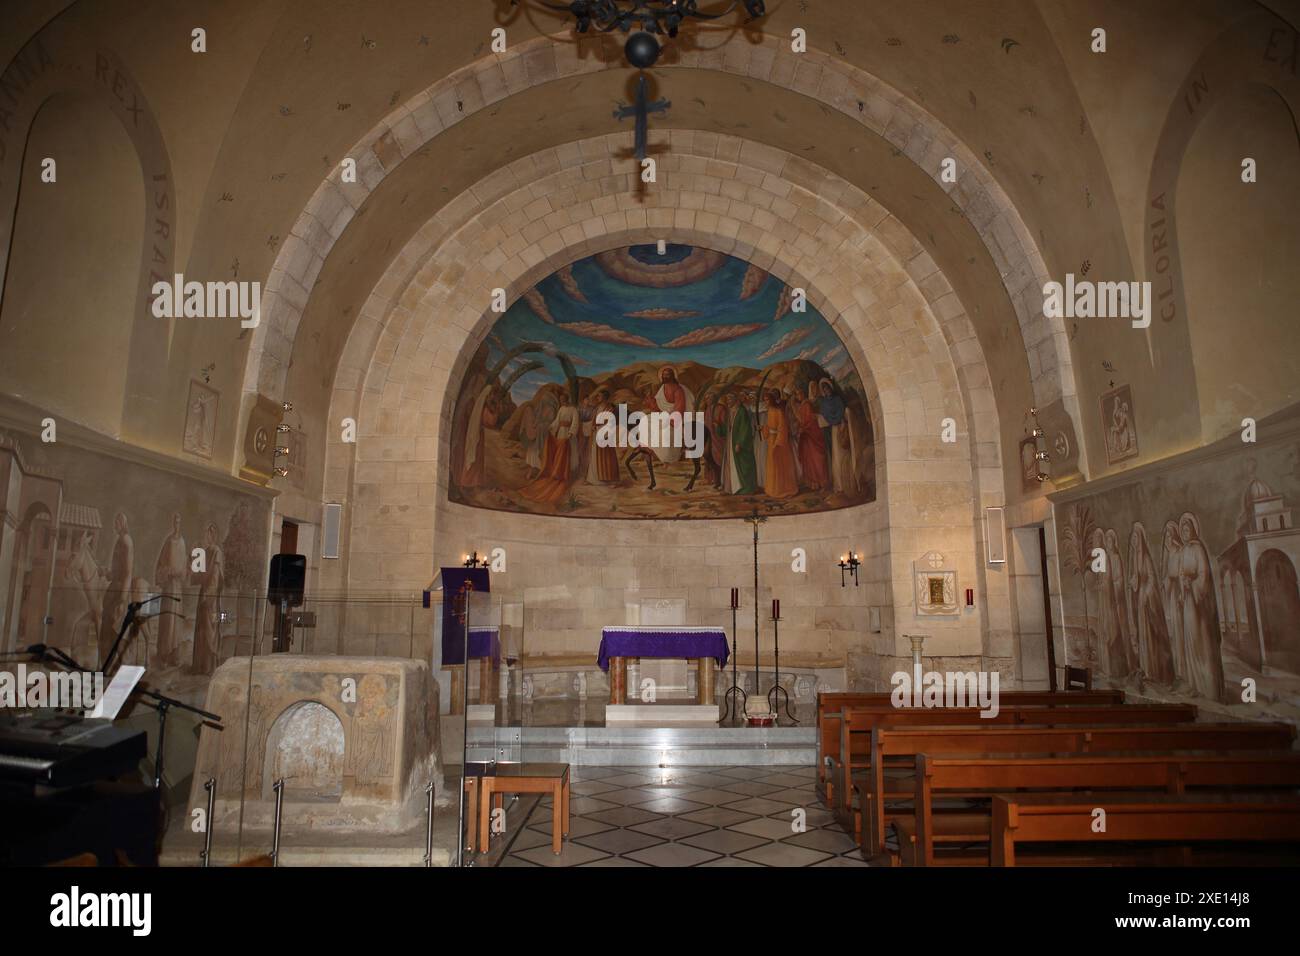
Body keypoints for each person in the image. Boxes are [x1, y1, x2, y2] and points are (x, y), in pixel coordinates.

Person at [1177, 512, 1226, 702]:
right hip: (1188, 602)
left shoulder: (1198, 549)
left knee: (1202, 643)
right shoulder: (1183, 550)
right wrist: (1183, 590)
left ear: (1193, 530)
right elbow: (1181, 575)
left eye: (1187, 528)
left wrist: (1193, 583)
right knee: (1191, 643)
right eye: (1183, 529)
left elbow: (1204, 575)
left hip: (1200, 604)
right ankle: (1195, 685)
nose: (1184, 532)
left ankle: (1210, 689)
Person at [1128, 522, 1174, 683]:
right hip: (1141, 605)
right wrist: (1134, 583)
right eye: (1132, 537)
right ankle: (1146, 669)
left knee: (1150, 637)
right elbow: (1136, 579)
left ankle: (1153, 670)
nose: (1133, 540)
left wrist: (1145, 594)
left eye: (1135, 537)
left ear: (1140, 538)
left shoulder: (1145, 558)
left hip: (1148, 605)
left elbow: (1152, 580)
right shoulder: (1135, 558)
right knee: (1143, 636)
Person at [519, 388, 580, 505]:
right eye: (561, 400)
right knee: (561, 453)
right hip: (561, 432)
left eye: (563, 400)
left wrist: (571, 434)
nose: (562, 402)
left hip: (569, 435)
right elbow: (557, 421)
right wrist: (551, 428)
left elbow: (575, 423)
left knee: (570, 453)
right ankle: (560, 471)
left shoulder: (573, 410)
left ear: (567, 399)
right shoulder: (561, 409)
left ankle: (570, 474)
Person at [98, 511, 134, 665]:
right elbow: (116, 572)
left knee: (114, 629)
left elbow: (127, 572)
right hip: (115, 588)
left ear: (122, 524)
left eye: (117, 522)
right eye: (115, 522)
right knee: (107, 626)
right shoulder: (120, 541)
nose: (115, 525)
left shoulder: (126, 541)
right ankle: (106, 661)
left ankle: (116, 664)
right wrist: (106, 572)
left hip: (120, 591)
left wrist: (123, 597)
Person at [153, 513, 188, 667]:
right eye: (175, 522)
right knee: (167, 620)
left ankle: (174, 654)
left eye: (179, 522)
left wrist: (180, 573)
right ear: (173, 523)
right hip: (168, 587)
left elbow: (184, 565)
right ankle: (163, 654)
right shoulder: (168, 541)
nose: (177, 525)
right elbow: (161, 564)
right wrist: (167, 571)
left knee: (176, 621)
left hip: (177, 587)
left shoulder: (182, 542)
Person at [190, 522, 224, 675]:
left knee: (210, 631)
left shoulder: (216, 551)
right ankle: (200, 666)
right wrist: (193, 558)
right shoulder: (202, 552)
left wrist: (208, 596)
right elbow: (196, 577)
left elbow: (215, 577)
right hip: (203, 595)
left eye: (207, 534)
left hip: (210, 598)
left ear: (212, 535)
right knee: (201, 631)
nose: (205, 537)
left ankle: (209, 666)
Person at [763, 389, 799, 499]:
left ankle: (785, 490)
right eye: (764, 400)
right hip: (771, 441)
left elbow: (783, 429)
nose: (766, 402)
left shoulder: (779, 412)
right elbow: (768, 427)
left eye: (767, 400)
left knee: (781, 466)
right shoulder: (769, 411)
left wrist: (777, 443)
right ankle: (773, 490)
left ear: (772, 400)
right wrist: (763, 429)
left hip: (780, 444)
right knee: (772, 465)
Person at [795, 382, 829, 491]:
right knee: (809, 460)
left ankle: (821, 482)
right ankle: (813, 483)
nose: (798, 396)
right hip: (806, 437)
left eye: (799, 394)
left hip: (812, 436)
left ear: (803, 394)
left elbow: (810, 420)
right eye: (797, 395)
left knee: (816, 459)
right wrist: (800, 428)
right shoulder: (802, 405)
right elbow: (802, 420)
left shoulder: (807, 405)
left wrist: (803, 428)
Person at [584, 389, 620, 485]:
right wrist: (592, 426)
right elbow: (594, 420)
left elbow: (611, 422)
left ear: (604, 397)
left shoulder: (610, 409)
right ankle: (594, 479)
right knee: (595, 456)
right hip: (596, 433)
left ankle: (610, 479)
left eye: (599, 396)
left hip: (605, 434)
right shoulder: (597, 408)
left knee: (607, 457)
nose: (597, 398)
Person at [729, 391, 758, 495]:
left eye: (730, 400)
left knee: (745, 465)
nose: (728, 402)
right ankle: (740, 487)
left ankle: (749, 488)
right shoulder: (733, 411)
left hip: (743, 445)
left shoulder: (742, 411)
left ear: (735, 400)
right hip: (734, 443)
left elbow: (745, 429)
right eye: (727, 400)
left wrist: (739, 443)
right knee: (739, 466)